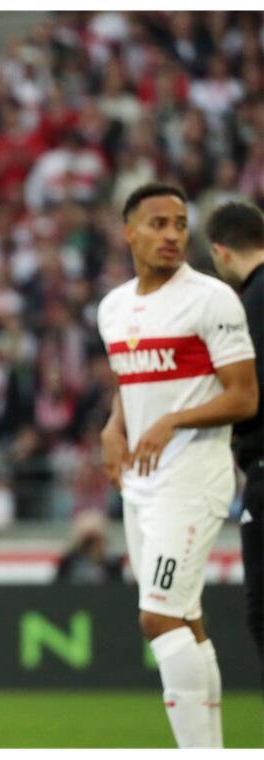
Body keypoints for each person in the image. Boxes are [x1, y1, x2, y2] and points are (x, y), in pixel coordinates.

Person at [98, 183, 257, 748]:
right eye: (158, 223)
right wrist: (115, 428)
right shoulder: (113, 308)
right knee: (184, 619)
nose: (171, 235)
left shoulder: (212, 299)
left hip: (193, 479)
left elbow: (244, 396)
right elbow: (128, 383)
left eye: (180, 224)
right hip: (140, 486)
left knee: (158, 618)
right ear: (129, 232)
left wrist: (171, 423)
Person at [205, 201, 264, 660]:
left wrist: (173, 420)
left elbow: (245, 396)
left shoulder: (245, 306)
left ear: (220, 252)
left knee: (261, 614)